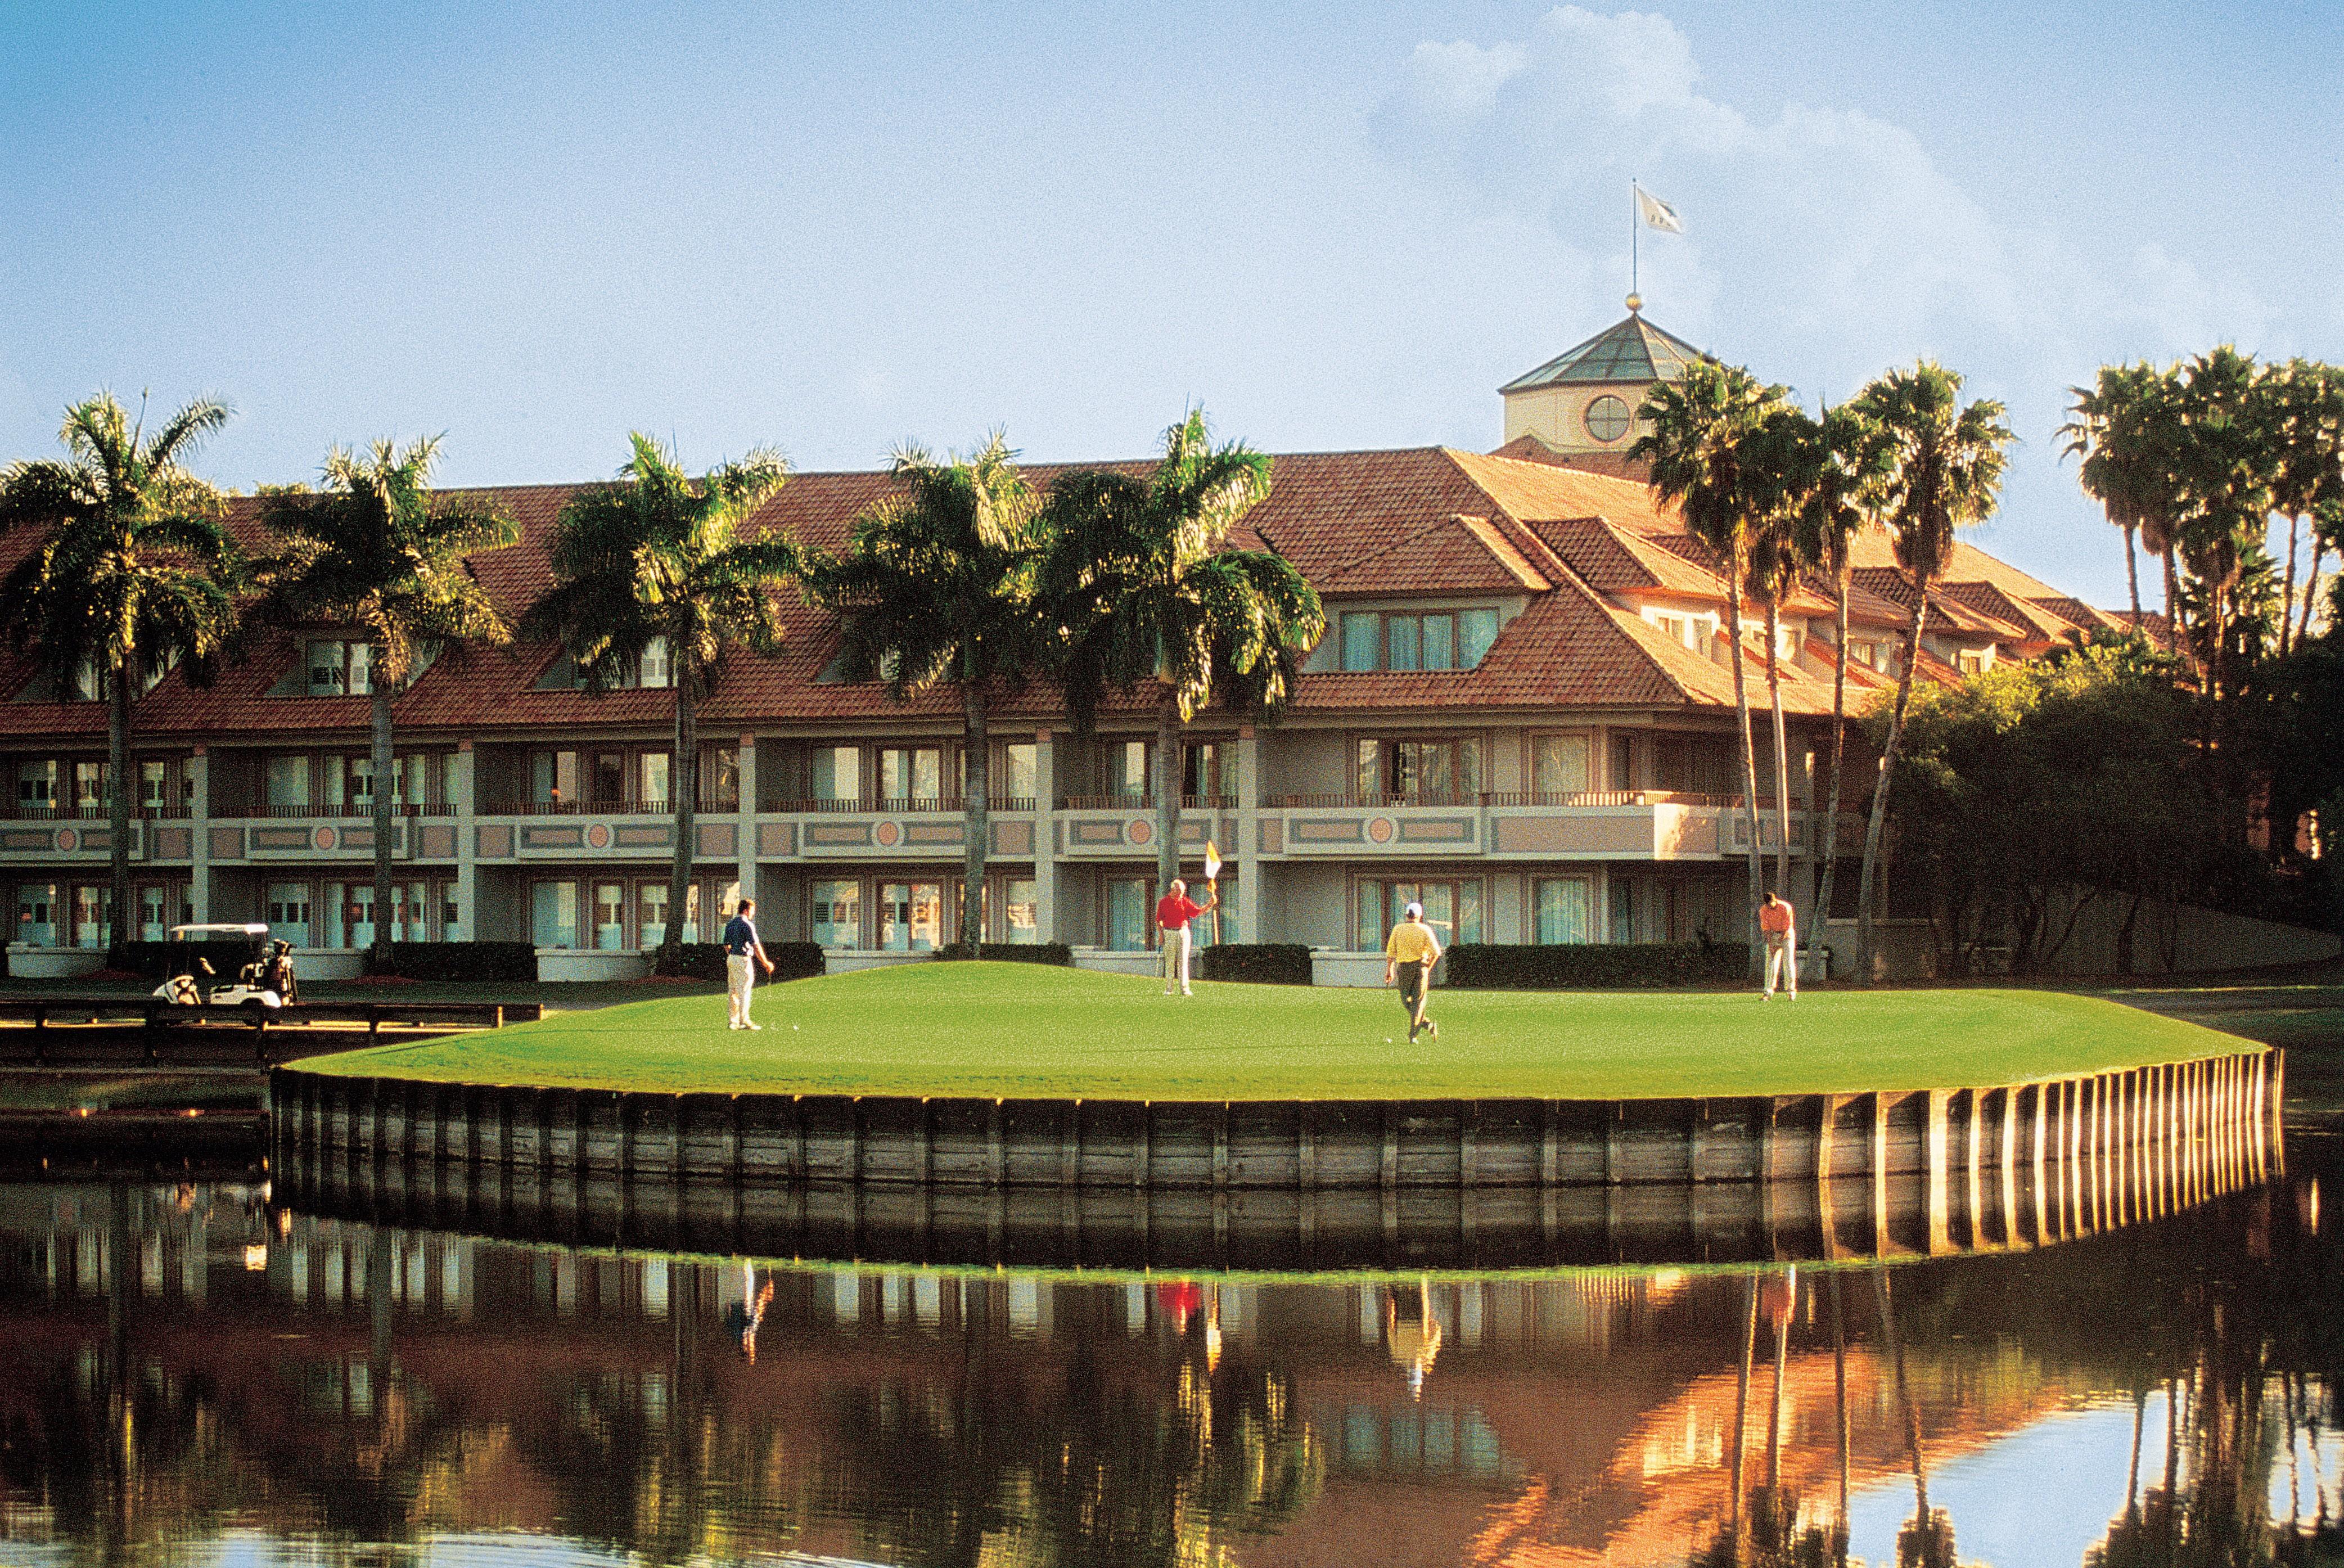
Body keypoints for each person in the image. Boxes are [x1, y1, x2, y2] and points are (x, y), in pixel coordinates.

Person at [1383, 900, 1443, 1041]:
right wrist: (1429, 967)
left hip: (1404, 968)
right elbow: (1437, 953)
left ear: (1407, 915)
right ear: (1419, 916)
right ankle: (1428, 1025)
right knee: (1418, 1002)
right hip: (1421, 968)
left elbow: (1391, 952)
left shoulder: (1398, 929)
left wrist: (1390, 970)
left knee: (1406, 1000)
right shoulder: (1425, 929)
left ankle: (1413, 1036)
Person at [1155, 876, 1215, 997]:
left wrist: (1210, 904)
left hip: (1183, 932)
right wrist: (1161, 935)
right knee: (1170, 961)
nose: (1182, 894)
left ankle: (1185, 989)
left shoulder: (1185, 901)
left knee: (1183, 961)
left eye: (1183, 892)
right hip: (1169, 932)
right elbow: (1159, 920)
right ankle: (1169, 989)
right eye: (1180, 892)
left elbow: (1197, 912)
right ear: (1173, 890)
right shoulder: (1163, 902)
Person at [723, 896, 774, 1029]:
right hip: (743, 959)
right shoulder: (747, 925)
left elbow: (726, 945)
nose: (753, 914)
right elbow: (756, 946)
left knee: (733, 991)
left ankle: (733, 1021)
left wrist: (732, 955)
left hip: (732, 958)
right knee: (744, 990)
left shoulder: (730, 924)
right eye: (752, 911)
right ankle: (744, 1020)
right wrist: (766, 962)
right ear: (746, 911)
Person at [1760, 891, 1797, 999]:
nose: (1769, 906)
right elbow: (1766, 928)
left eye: (1771, 903)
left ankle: (1791, 991)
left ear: (1774, 900)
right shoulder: (1764, 910)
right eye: (1767, 904)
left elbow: (1787, 926)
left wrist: (1780, 941)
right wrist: (1771, 943)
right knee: (1771, 963)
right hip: (1773, 935)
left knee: (1788, 962)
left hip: (1787, 936)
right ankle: (1768, 992)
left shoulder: (1785, 907)